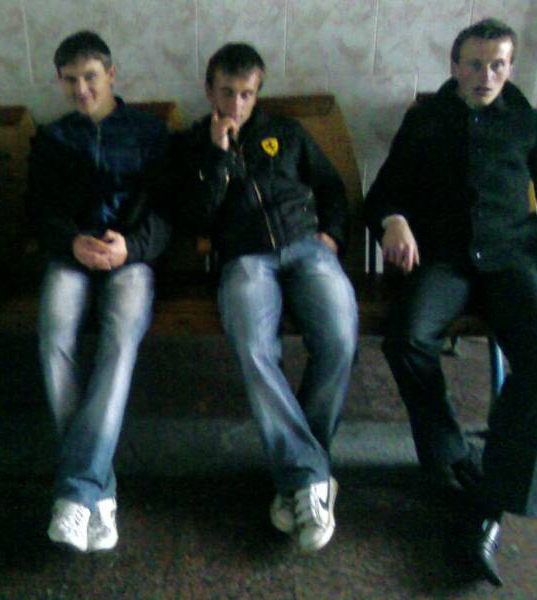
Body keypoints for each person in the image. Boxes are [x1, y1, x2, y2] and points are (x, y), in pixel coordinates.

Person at [364, 18, 537, 586]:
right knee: (406, 338)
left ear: (510, 67)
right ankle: (452, 453)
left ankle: (490, 498)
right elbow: (384, 192)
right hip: (445, 261)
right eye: (475, 64)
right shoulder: (426, 120)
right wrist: (394, 220)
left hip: (509, 261)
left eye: (498, 64)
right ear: (454, 66)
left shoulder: (527, 121)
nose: (486, 75)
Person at [174, 43, 357, 552]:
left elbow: (331, 187)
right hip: (244, 259)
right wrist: (217, 157)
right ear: (209, 90)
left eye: (247, 94)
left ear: (258, 94)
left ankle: (300, 475)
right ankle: (311, 478)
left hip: (307, 250)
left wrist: (333, 236)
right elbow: (194, 218)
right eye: (227, 92)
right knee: (255, 348)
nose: (236, 104)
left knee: (340, 338)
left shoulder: (287, 133)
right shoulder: (190, 145)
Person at [27, 31, 169, 553]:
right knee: (53, 337)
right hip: (72, 256)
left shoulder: (149, 132)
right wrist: (71, 241)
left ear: (111, 74)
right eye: (70, 80)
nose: (81, 89)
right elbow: (38, 209)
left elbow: (168, 210)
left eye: (90, 77)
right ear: (59, 82)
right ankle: (97, 491)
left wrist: (132, 246)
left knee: (120, 340)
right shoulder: (53, 137)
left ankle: (75, 493)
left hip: (130, 257)